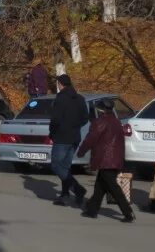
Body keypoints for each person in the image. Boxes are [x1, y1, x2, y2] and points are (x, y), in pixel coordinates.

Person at [77, 98, 135, 222]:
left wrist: (81, 151)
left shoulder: (99, 122)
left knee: (114, 188)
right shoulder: (116, 121)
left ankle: (128, 213)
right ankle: (92, 210)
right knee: (100, 187)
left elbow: (90, 139)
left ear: (100, 109)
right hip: (115, 159)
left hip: (105, 159)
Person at [48, 73, 88, 206]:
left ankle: (77, 189)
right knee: (65, 167)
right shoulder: (80, 99)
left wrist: (52, 133)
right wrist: (75, 126)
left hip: (61, 137)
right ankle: (65, 195)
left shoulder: (60, 98)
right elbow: (85, 118)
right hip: (75, 137)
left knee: (56, 165)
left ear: (60, 84)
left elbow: (55, 120)